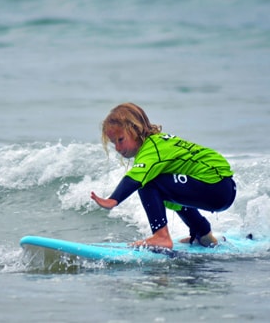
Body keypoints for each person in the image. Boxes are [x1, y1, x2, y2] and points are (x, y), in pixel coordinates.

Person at [91, 103, 236, 249]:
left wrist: (113, 200)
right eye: (113, 143)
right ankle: (203, 234)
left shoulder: (151, 148)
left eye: (120, 139)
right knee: (166, 189)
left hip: (215, 184)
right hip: (222, 186)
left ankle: (161, 236)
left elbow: (135, 177)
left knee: (148, 182)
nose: (117, 148)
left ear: (135, 130)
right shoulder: (158, 142)